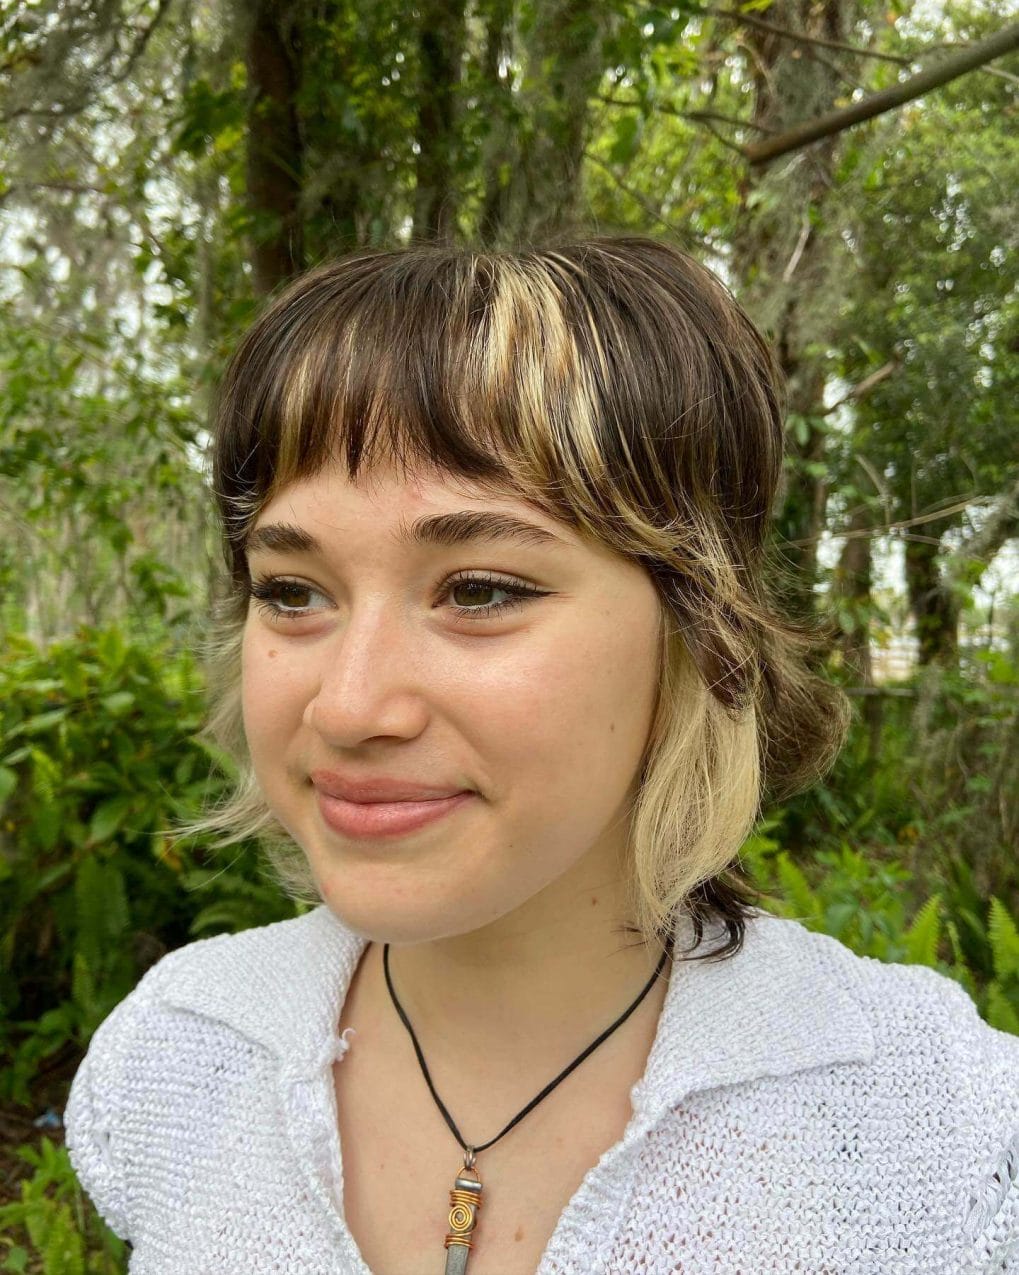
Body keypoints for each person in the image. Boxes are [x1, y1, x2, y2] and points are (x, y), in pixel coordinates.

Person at [65, 237, 1018, 1275]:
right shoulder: (177, 1060)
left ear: (701, 629)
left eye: (478, 589)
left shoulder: (940, 1143)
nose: (347, 706)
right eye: (293, 593)